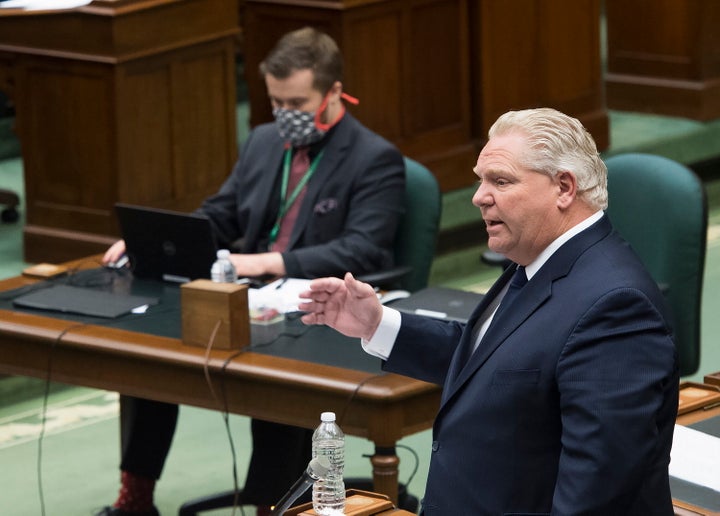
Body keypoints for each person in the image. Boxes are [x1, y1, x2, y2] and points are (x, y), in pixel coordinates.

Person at [299, 108, 679, 515]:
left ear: (564, 188)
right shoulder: (538, 261)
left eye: (501, 180)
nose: (479, 196)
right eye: (481, 179)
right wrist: (378, 324)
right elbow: (494, 361)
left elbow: (598, 491)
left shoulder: (616, 307)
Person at [97, 27, 405, 516]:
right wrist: (147, 242)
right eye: (275, 102)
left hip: (315, 307)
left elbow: (363, 250)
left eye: (297, 103)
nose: (286, 115)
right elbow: (219, 215)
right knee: (152, 356)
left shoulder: (374, 158)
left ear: (332, 94)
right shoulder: (264, 142)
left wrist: (262, 262)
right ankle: (135, 498)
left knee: (279, 387)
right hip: (245, 297)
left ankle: (272, 507)